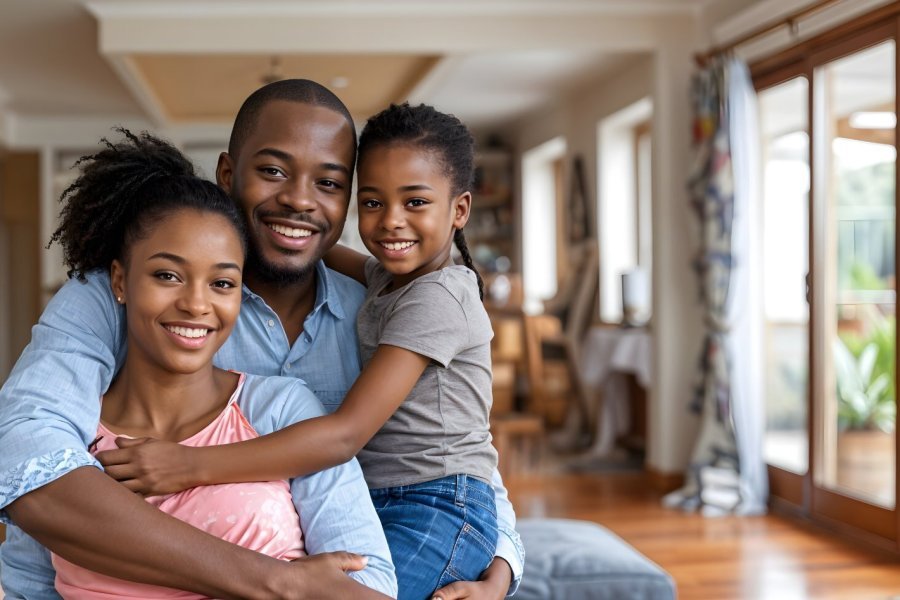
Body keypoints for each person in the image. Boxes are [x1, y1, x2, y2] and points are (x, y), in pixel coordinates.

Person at [0, 79, 524, 599]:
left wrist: (501, 560)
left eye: (329, 183)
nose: (299, 200)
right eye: (272, 171)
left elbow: (457, 442)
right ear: (228, 174)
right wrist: (276, 583)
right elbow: (26, 456)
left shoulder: (384, 307)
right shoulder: (121, 295)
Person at [41, 128, 393, 599]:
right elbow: (27, 582)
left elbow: (368, 583)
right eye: (168, 275)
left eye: (223, 283)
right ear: (120, 282)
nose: (196, 304)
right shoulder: (65, 432)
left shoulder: (281, 408)